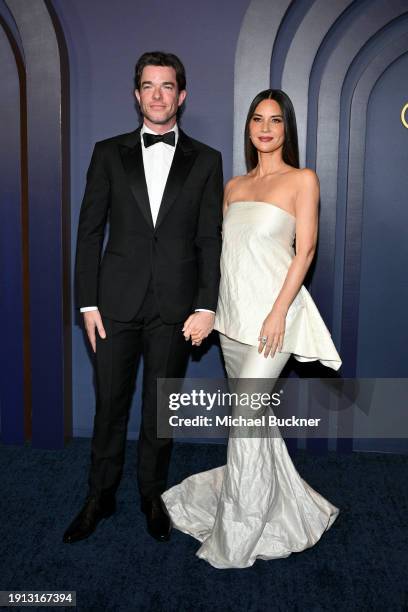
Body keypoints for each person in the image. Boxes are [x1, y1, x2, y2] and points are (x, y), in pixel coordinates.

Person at [162, 89, 342, 568]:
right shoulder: (235, 187)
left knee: (245, 422)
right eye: (258, 119)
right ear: (249, 127)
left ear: (287, 129)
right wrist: (211, 313)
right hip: (233, 319)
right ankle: (290, 507)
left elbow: (303, 252)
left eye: (276, 120)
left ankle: (238, 532)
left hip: (271, 323)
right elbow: (227, 258)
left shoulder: (302, 180)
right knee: (254, 423)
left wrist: (280, 311)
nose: (266, 128)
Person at [63, 51, 223, 544]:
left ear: (182, 95)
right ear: (137, 95)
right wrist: (87, 303)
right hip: (114, 307)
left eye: (167, 86)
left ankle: (152, 495)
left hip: (176, 310)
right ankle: (100, 495)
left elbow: (209, 240)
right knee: (109, 404)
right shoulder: (107, 153)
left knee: (161, 407)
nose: (158, 95)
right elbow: (89, 232)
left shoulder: (207, 160)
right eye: (149, 86)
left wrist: (206, 304)